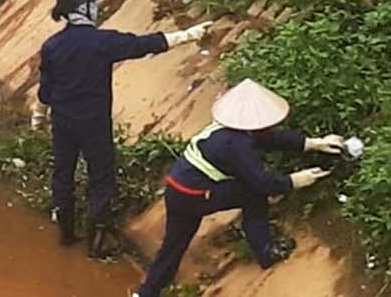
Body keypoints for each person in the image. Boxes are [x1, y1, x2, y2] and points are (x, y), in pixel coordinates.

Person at [34, 0, 212, 258]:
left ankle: (66, 233)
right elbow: (143, 45)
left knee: (63, 173)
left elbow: (46, 89)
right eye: (94, 4)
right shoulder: (102, 42)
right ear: (84, 9)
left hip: (63, 122)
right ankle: (97, 241)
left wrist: (38, 116)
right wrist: (188, 35)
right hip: (93, 123)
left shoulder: (52, 46)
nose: (98, 8)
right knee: (101, 177)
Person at [130, 79, 343, 297]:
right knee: (253, 195)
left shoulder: (228, 129)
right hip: (195, 195)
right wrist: (293, 180)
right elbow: (262, 183)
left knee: (172, 247)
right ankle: (265, 252)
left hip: (177, 190)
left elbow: (271, 139)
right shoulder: (237, 145)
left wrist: (313, 143)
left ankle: (146, 293)